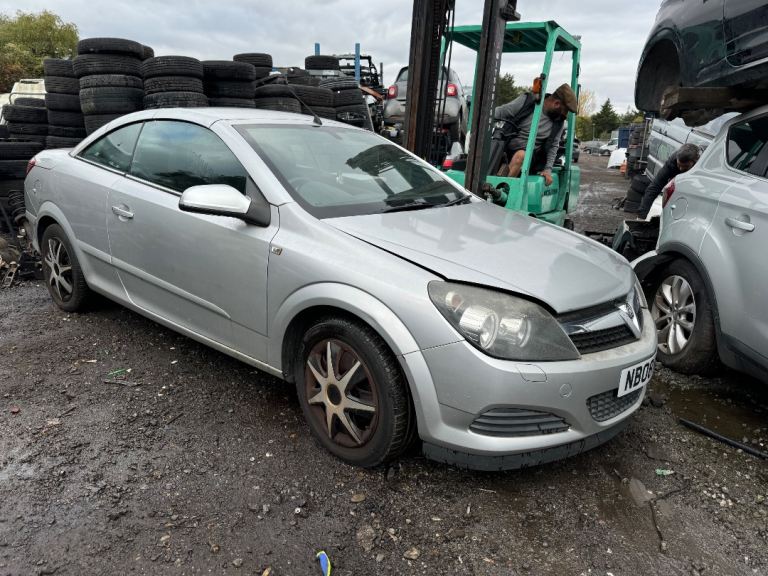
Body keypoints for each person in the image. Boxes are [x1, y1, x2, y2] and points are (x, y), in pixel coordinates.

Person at [493, 83, 578, 185]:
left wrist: (548, 169)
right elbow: (499, 112)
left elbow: (553, 146)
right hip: (505, 147)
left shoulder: (558, 122)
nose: (565, 115)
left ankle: (501, 189)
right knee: (489, 148)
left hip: (530, 156)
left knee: (521, 156)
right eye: (565, 111)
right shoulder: (527, 102)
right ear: (556, 104)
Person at [637, 143, 701, 218]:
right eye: (679, 165)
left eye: (685, 166)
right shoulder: (672, 162)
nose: (681, 169)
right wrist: (641, 215)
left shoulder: (702, 165)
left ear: (695, 162)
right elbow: (654, 187)